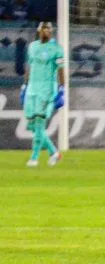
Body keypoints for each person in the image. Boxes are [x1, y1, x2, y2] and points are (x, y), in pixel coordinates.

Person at [21, 21, 64, 167]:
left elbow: (60, 69)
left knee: (39, 123)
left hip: (46, 91)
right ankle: (54, 152)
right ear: (39, 31)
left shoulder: (56, 49)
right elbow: (29, 66)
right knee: (32, 125)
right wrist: (24, 85)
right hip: (32, 89)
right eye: (43, 29)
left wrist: (61, 88)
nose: (46, 32)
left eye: (48, 30)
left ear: (51, 32)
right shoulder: (32, 47)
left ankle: (34, 158)